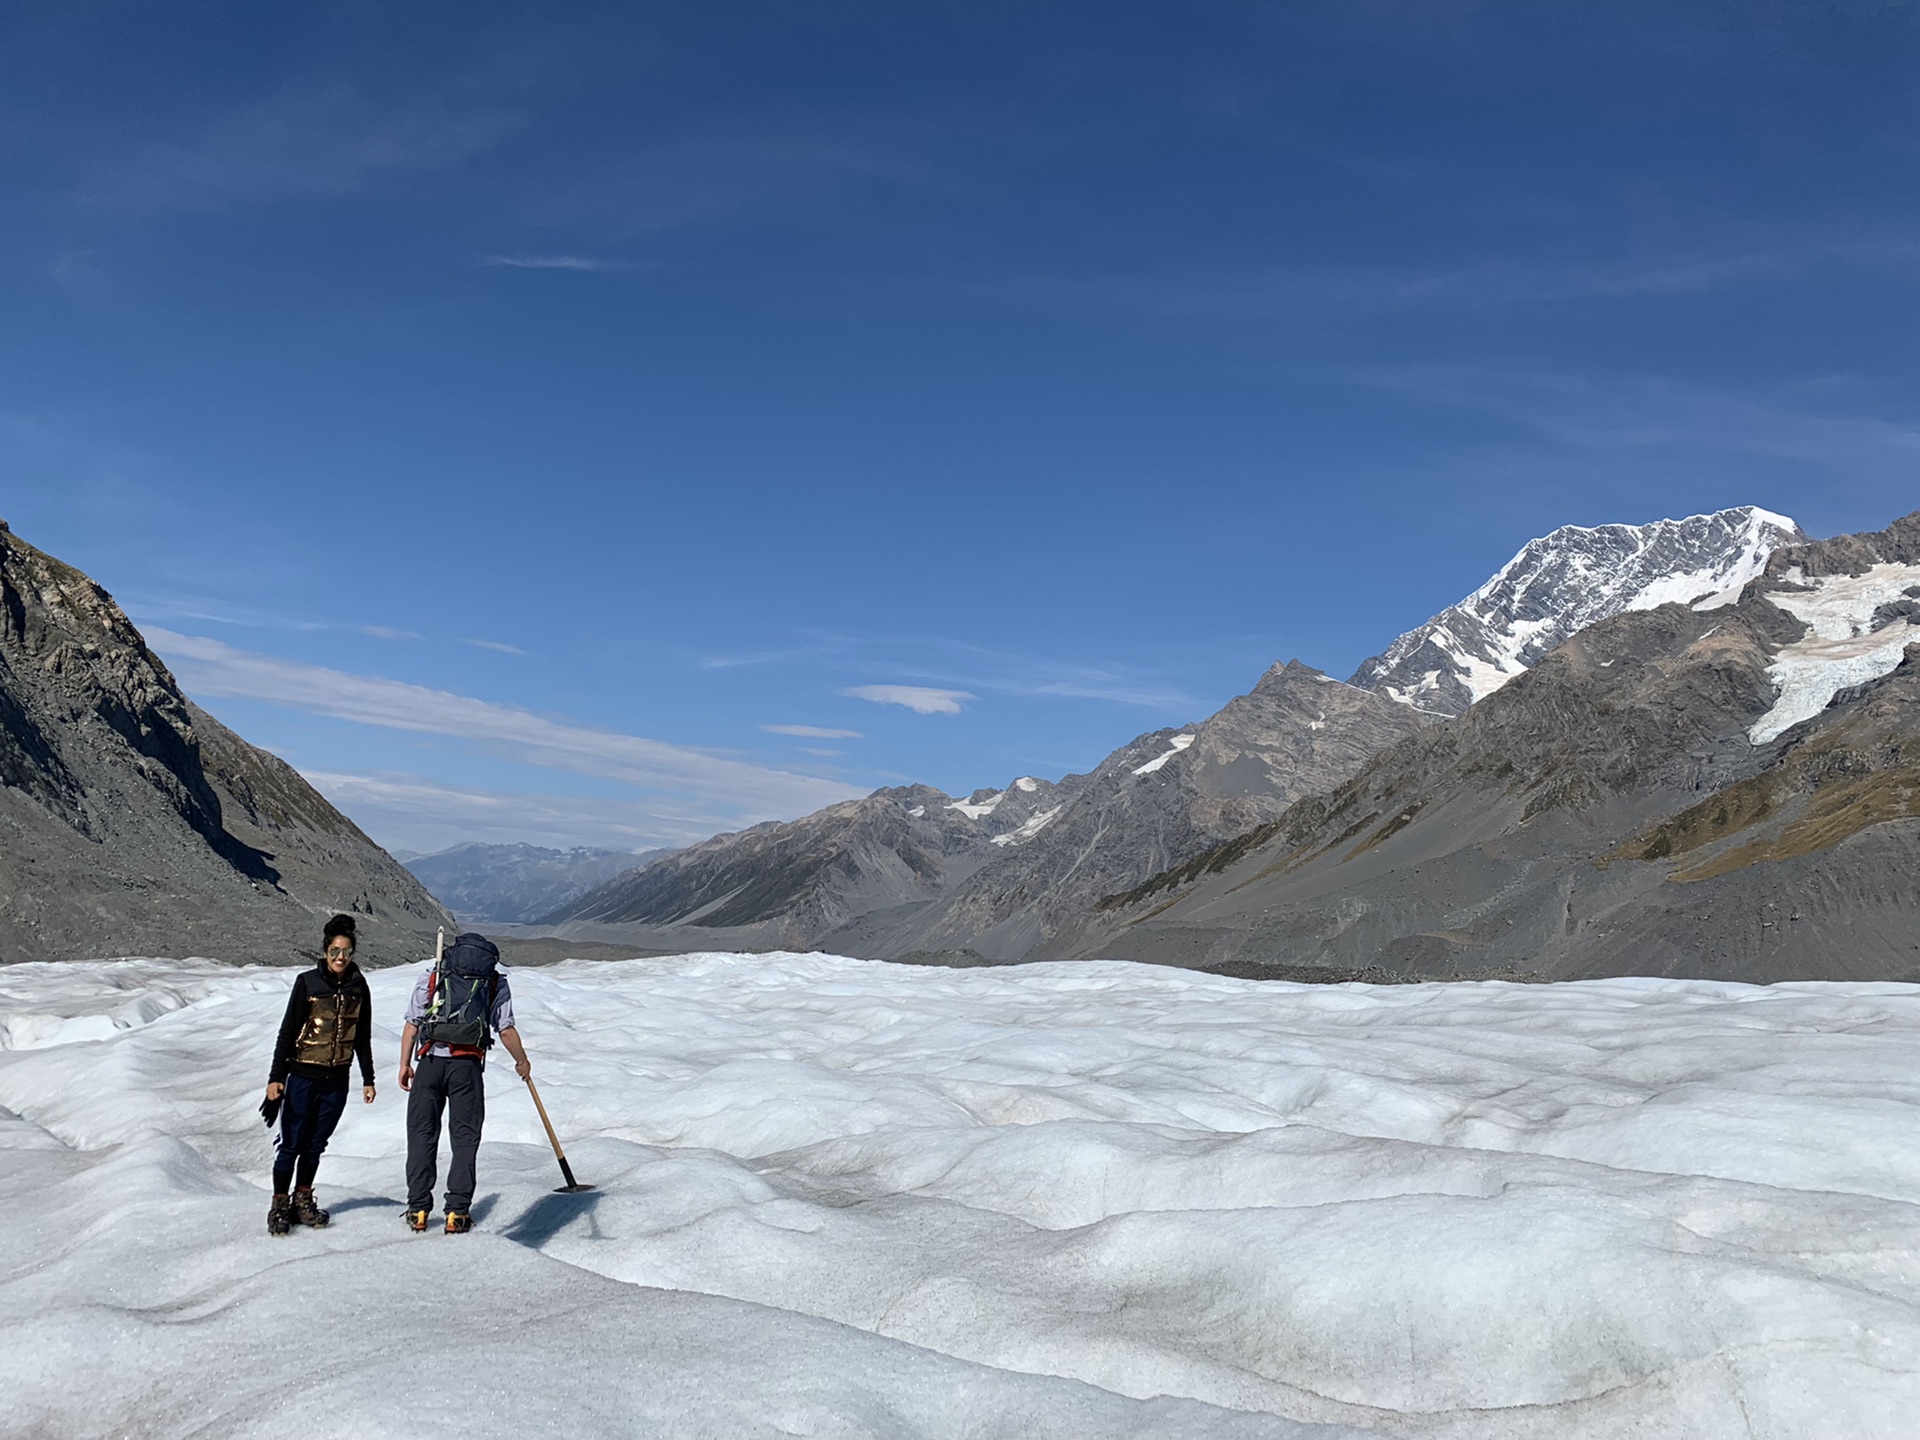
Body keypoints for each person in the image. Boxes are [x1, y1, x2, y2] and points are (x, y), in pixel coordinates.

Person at [397, 931, 531, 1233]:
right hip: (467, 1068)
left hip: (430, 1063)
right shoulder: (494, 981)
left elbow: (412, 1022)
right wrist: (521, 1061)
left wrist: (405, 1064)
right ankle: (457, 1212)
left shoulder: (434, 973)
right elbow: (505, 1029)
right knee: (465, 1138)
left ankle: (418, 1208)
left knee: (421, 1134)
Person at [263, 914, 376, 1236]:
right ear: (325, 951)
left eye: (347, 952)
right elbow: (287, 1032)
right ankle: (279, 1205)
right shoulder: (307, 982)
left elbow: (362, 1037)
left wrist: (368, 1079)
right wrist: (276, 1077)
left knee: (315, 1145)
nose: (341, 958)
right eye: (335, 951)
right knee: (291, 1143)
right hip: (302, 1075)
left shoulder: (359, 986)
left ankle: (302, 1200)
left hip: (337, 1078)